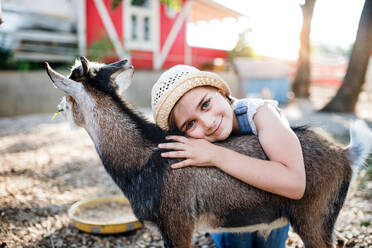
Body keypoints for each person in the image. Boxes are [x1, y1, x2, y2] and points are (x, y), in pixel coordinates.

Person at [151, 65, 305, 248]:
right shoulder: (197, 143)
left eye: (205, 104)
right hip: (233, 211)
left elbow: (294, 183)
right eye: (190, 124)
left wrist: (216, 155)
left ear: (221, 92)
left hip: (275, 206)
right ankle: (217, 234)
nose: (207, 123)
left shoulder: (260, 114)